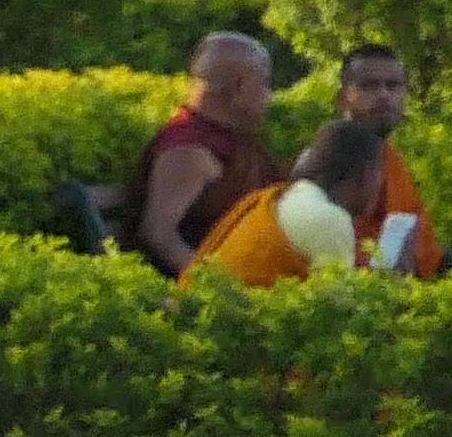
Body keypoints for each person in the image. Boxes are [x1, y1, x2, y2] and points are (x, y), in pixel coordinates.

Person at [123, 33, 284, 278]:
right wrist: (221, 285)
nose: (268, 94)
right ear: (238, 88)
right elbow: (158, 235)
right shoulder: (189, 150)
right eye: (264, 82)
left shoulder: (231, 138)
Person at [181, 121, 393, 292]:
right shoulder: (331, 219)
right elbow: (336, 311)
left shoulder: (283, 196)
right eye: (379, 176)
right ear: (366, 177)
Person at [332, 43, 446, 278]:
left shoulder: (392, 160)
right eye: (369, 86)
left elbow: (423, 246)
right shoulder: (329, 158)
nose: (384, 95)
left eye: (393, 86)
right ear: (343, 98)